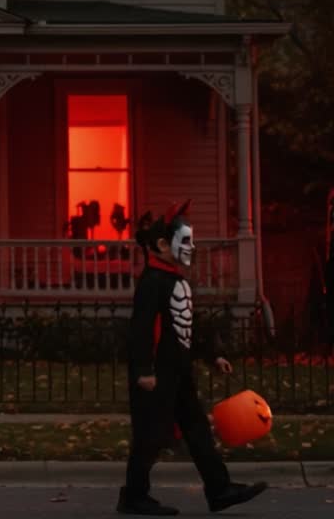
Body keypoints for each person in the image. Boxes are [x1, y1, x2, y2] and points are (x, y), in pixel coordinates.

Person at [118, 200, 267, 515]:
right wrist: (144, 369)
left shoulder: (175, 280)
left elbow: (187, 326)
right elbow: (141, 328)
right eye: (185, 240)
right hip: (157, 374)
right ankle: (133, 496)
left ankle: (219, 489)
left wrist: (213, 355)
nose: (192, 246)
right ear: (161, 244)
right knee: (150, 436)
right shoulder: (152, 283)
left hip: (179, 372)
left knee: (197, 429)